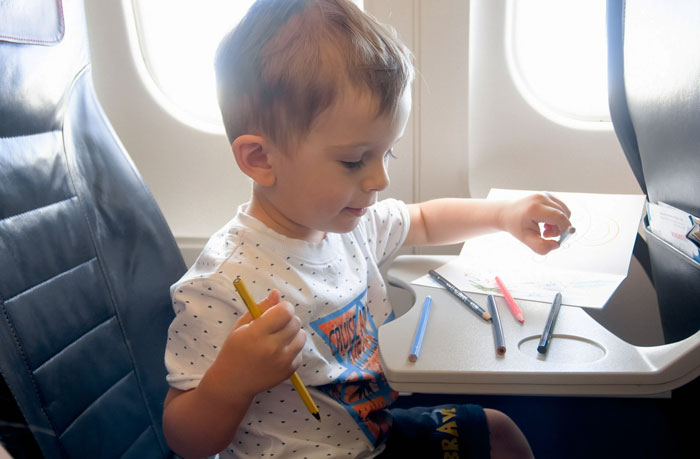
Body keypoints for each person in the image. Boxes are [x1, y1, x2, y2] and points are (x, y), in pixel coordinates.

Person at [162, 1, 571, 457]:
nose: (380, 180)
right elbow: (185, 438)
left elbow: (423, 219)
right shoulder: (220, 286)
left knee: (498, 433)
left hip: (375, 433)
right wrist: (230, 382)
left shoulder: (346, 224)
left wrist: (502, 215)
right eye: (354, 160)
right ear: (261, 159)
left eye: (387, 154)